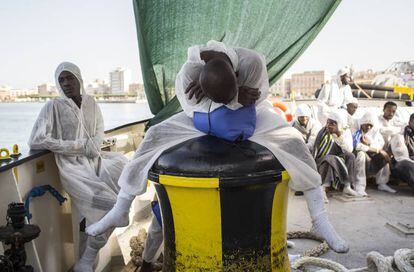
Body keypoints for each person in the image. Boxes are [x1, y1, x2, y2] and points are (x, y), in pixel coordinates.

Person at [86, 40, 349, 253]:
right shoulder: (187, 73)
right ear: (199, 79)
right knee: (153, 136)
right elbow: (190, 107)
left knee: (293, 141)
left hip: (250, 113)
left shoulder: (252, 62)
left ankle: (319, 218)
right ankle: (121, 208)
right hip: (200, 114)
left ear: (236, 74)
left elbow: (257, 97)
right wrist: (224, 100)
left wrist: (235, 99)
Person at [28, 62, 127, 272]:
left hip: (96, 164)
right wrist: (74, 147)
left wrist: (91, 145)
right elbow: (36, 139)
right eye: (61, 80)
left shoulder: (92, 103)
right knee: (108, 210)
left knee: (126, 178)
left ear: (79, 78)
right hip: (73, 171)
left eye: (69, 78)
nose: (65, 84)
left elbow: (98, 132)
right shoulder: (53, 106)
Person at [313, 110, 360, 202]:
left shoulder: (345, 131)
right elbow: (316, 149)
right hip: (321, 159)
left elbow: (349, 149)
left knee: (350, 156)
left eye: (333, 123)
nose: (329, 125)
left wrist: (338, 135)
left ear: (340, 123)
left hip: (337, 158)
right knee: (330, 158)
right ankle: (322, 190)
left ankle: (347, 186)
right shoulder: (322, 132)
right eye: (328, 122)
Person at [353, 112, 395, 196]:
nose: (368, 127)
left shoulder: (374, 131)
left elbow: (381, 143)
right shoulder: (357, 131)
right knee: (361, 154)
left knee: (385, 155)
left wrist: (370, 145)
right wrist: (375, 150)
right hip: (360, 156)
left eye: (371, 125)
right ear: (362, 123)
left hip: (371, 155)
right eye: (366, 124)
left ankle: (382, 183)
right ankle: (359, 187)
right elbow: (356, 146)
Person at [391, 113, 414, 190]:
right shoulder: (400, 135)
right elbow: (401, 157)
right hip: (404, 162)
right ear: (410, 122)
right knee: (406, 165)